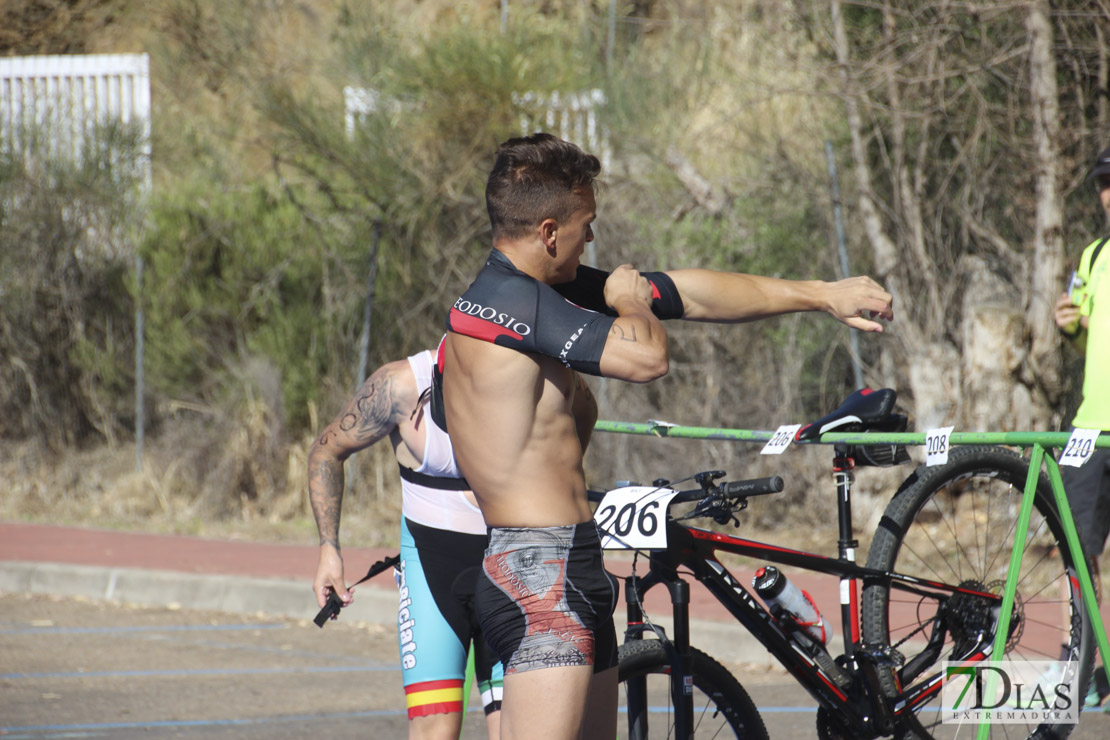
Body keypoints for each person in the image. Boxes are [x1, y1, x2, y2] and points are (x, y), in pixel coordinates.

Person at [435, 132, 895, 740]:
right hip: (540, 571)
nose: (592, 238)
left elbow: (688, 292)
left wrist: (820, 295)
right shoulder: (522, 305)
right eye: (586, 224)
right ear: (549, 232)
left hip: (561, 560)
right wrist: (631, 307)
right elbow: (647, 356)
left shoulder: (516, 294)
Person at [308, 348, 503, 740]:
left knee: (521, 728)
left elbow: (584, 417)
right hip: (434, 576)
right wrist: (329, 549)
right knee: (434, 729)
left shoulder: (530, 374)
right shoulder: (401, 385)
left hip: (511, 570)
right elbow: (327, 450)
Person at [1054, 144, 1110, 708]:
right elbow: (1084, 337)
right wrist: (1068, 325)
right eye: (1103, 182)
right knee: (1077, 549)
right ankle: (1086, 662)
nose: (1109, 192)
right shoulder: (1092, 256)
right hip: (1089, 426)